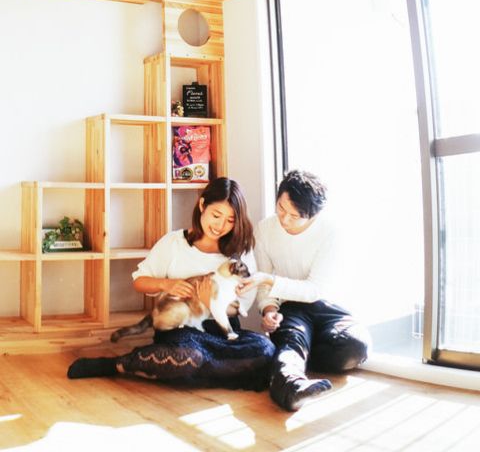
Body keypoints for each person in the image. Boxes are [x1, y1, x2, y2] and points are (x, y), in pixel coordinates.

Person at [67, 177, 274, 391]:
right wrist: (167, 284)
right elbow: (140, 281)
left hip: (223, 331)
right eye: (216, 215)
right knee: (187, 354)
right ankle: (117, 364)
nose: (221, 226)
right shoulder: (174, 242)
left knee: (265, 348)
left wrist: (209, 303)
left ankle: (189, 371)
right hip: (182, 329)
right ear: (202, 205)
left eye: (230, 220)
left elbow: (243, 303)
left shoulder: (240, 251)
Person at [245, 170, 371, 411]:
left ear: (314, 215)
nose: (284, 219)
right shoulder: (264, 230)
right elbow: (264, 285)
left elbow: (314, 290)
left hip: (326, 307)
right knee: (292, 339)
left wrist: (270, 280)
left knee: (355, 347)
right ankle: (291, 386)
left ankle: (293, 355)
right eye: (281, 208)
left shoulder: (330, 232)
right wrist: (269, 310)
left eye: (295, 216)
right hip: (291, 308)